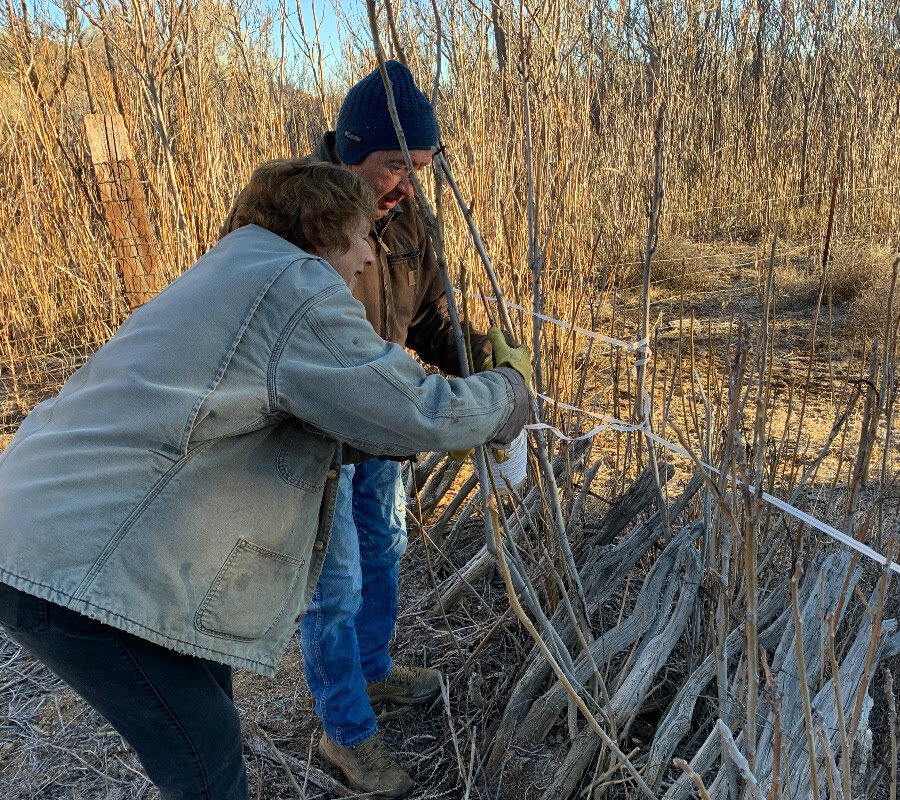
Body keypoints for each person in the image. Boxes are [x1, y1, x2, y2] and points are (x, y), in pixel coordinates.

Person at [0, 157, 531, 800]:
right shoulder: (296, 286)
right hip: (77, 562)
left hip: (44, 525)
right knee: (204, 751)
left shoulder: (229, 268)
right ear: (320, 235)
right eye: (361, 237)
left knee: (205, 704)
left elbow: (270, 411)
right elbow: (417, 409)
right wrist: (507, 393)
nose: (370, 256)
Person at [301, 60, 500, 797]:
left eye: (420, 166)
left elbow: (431, 319)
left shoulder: (412, 218)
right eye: (395, 164)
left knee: (385, 548)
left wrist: (490, 366)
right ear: (352, 151)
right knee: (334, 588)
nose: (409, 183)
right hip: (314, 437)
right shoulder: (295, 221)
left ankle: (373, 671)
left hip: (383, 427)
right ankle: (345, 732)